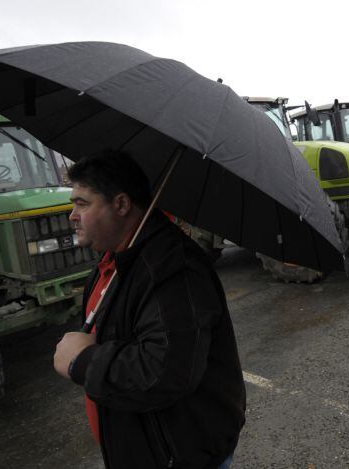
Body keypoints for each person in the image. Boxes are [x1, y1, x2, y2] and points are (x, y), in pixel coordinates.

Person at [53, 151, 246, 469]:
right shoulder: (115, 260)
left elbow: (165, 372)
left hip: (180, 456)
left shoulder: (172, 268)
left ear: (121, 204)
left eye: (82, 204)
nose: (72, 215)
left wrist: (83, 362)